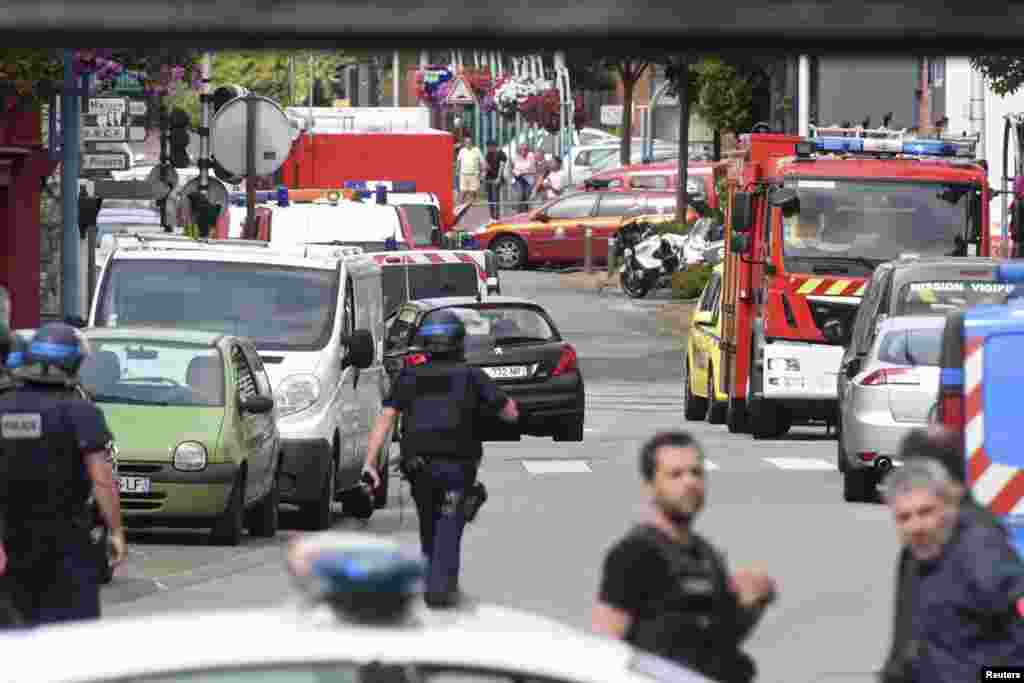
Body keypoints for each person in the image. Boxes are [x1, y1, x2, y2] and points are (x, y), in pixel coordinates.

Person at [361, 308, 518, 608]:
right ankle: (441, 587)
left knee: (428, 523)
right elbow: (509, 412)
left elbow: (386, 417)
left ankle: (432, 579)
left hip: (418, 468)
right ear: (459, 342)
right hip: (458, 469)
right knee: (450, 522)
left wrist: (372, 462)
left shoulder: (410, 375)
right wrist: (505, 409)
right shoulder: (472, 375)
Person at [592, 431, 777, 683]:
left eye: (696, 472)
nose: (689, 482)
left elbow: (716, 642)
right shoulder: (634, 556)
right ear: (649, 486)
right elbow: (604, 653)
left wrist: (749, 604)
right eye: (675, 474)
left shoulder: (707, 556)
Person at [0, 323, 127, 628]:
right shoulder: (81, 412)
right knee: (72, 637)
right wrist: (116, 531)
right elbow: (101, 479)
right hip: (66, 539)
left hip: (10, 540)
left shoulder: (4, 407)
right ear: (74, 363)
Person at [879, 457, 1024, 683]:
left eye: (925, 512)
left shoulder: (979, 551)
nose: (916, 527)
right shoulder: (913, 557)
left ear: (948, 507)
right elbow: (906, 644)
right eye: (904, 517)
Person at [456, 136, 486, 208]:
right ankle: (460, 205)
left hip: (474, 174)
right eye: (466, 142)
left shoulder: (477, 150)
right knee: (463, 191)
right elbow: (458, 161)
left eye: (469, 142)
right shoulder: (462, 151)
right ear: (464, 143)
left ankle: (470, 206)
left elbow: (482, 162)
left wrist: (483, 172)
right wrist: (457, 170)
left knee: (473, 191)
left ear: (472, 142)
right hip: (463, 174)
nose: (468, 143)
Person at [510, 144, 538, 213]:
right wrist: (514, 173)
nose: (524, 151)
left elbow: (534, 170)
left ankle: (526, 213)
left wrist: (525, 172)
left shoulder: (531, 156)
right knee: (520, 195)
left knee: (526, 196)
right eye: (522, 150)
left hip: (528, 180)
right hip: (518, 179)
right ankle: (519, 213)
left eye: (526, 149)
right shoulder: (515, 157)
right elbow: (512, 168)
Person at [484, 140, 507, 221]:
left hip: (497, 178)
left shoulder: (501, 154)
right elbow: (486, 165)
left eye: (489, 147)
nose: (488, 149)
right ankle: (491, 216)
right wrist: (484, 171)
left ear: (494, 146)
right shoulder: (488, 154)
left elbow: (502, 166)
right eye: (487, 147)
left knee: (495, 198)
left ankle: (496, 217)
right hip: (489, 178)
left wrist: (498, 178)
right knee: (490, 198)